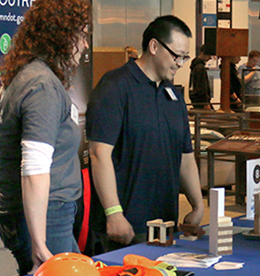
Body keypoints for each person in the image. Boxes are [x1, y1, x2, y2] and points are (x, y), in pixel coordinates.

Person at [85, 15, 204, 254]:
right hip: (126, 227)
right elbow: (99, 154)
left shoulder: (173, 95)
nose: (180, 63)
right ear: (154, 46)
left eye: (185, 57)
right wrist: (114, 213)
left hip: (165, 224)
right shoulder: (115, 87)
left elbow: (185, 155)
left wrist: (198, 203)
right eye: (176, 55)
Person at [0, 0, 91, 275]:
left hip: (34, 214)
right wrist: (39, 243)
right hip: (46, 216)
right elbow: (34, 168)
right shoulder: (42, 85)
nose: (85, 45)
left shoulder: (23, 76)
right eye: (81, 35)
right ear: (62, 36)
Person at [189, 44, 213, 109]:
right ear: (203, 53)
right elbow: (201, 86)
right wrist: (205, 102)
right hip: (201, 100)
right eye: (209, 55)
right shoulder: (200, 67)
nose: (210, 57)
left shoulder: (195, 66)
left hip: (195, 98)